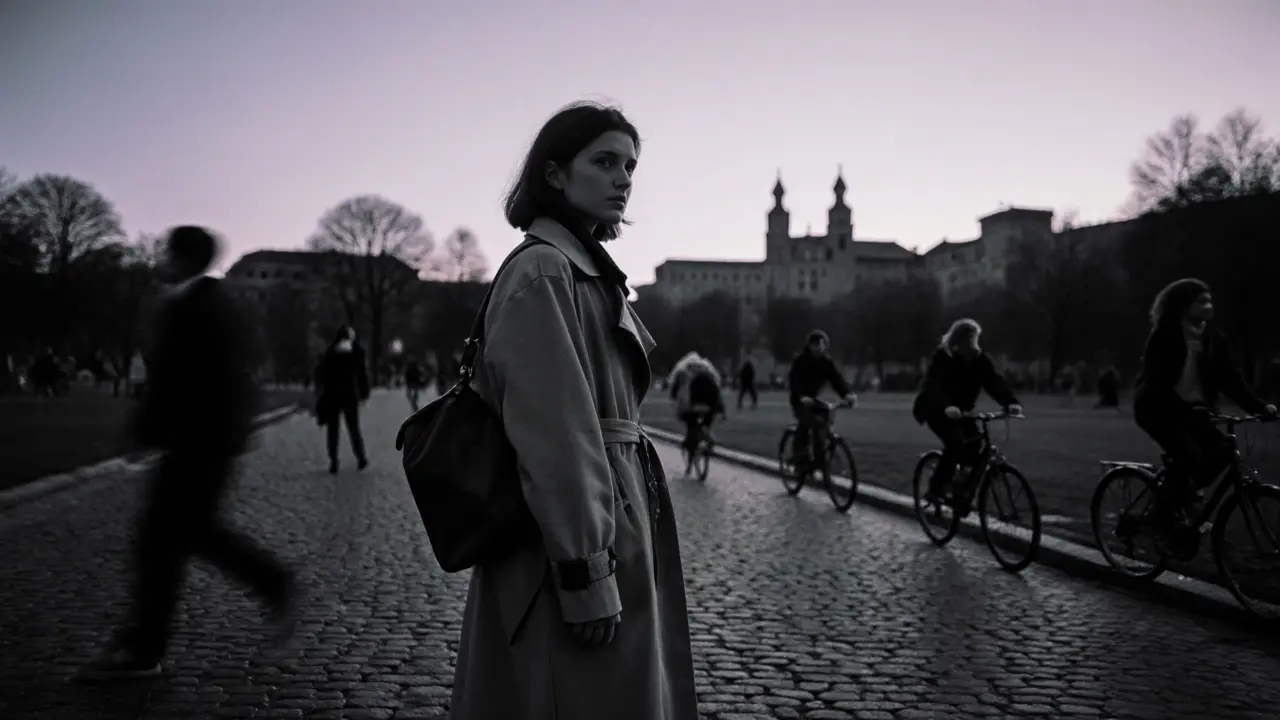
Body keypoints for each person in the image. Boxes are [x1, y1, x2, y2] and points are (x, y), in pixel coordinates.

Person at [448, 101, 696, 720]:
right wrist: (585, 573)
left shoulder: (578, 270)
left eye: (630, 166)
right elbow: (556, 439)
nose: (623, 179)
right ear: (555, 175)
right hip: (575, 541)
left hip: (611, 523)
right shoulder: (544, 271)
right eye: (604, 161)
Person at [85, 226, 294, 680]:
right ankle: (265, 584)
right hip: (207, 439)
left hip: (198, 440)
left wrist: (145, 431)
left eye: (169, 252)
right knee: (188, 535)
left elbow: (181, 380)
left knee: (165, 540)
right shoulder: (212, 303)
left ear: (182, 257)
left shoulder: (197, 307)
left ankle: (145, 645)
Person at [1133, 278, 1277, 536]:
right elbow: (1156, 384)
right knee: (1189, 457)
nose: (1208, 306)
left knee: (1222, 455)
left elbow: (1230, 379)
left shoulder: (1212, 338)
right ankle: (1161, 519)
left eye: (1209, 300)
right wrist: (1185, 410)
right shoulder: (1164, 335)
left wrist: (1259, 407)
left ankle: (1182, 495)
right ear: (1183, 304)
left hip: (1194, 411)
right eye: (1201, 301)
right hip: (1156, 410)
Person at [912, 318, 1022, 509]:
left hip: (962, 412)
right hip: (936, 409)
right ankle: (935, 489)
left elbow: (994, 382)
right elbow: (933, 385)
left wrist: (1011, 403)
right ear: (959, 341)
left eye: (975, 339)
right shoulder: (943, 357)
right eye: (969, 340)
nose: (974, 345)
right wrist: (946, 406)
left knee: (975, 445)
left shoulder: (980, 360)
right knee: (955, 443)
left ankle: (960, 489)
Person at [787, 330, 856, 466]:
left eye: (821, 345)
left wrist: (847, 394)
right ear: (810, 346)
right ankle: (799, 455)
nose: (818, 348)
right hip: (799, 399)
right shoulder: (801, 360)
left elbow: (836, 379)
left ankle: (819, 458)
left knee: (824, 421)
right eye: (815, 345)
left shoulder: (826, 362)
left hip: (813, 400)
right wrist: (801, 396)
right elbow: (794, 381)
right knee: (808, 421)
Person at [316, 326, 371, 474]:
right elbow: (361, 373)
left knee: (333, 430)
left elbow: (323, 373)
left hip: (332, 394)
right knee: (353, 427)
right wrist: (365, 392)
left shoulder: (331, 351)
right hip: (349, 394)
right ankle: (361, 457)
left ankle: (333, 461)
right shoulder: (355, 351)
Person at [667, 352, 726, 452]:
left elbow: (682, 394)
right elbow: (717, 395)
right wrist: (721, 410)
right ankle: (705, 434)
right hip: (710, 407)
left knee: (689, 419)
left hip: (695, 407)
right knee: (705, 421)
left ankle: (691, 439)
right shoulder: (710, 376)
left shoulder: (689, 379)